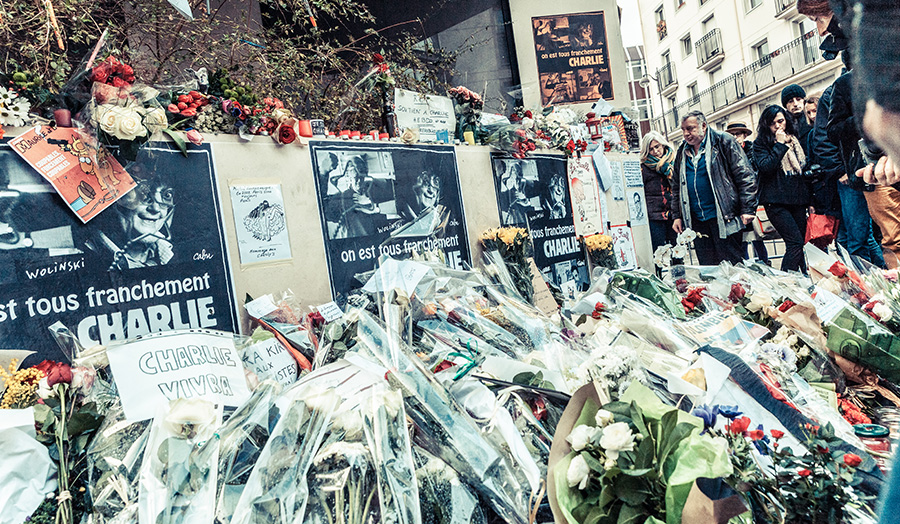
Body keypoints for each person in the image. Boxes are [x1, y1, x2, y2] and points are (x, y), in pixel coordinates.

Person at [798, 0, 885, 266]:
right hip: (860, 171)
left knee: (864, 236)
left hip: (869, 168)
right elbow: (828, 136)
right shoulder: (840, 88)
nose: (820, 30)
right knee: (861, 236)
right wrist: (841, 170)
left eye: (818, 19)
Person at [671, 111, 758, 266]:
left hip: (725, 216)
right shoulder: (682, 151)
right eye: (683, 130)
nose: (685, 134)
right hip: (697, 220)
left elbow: (745, 175)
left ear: (703, 126)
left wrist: (748, 208)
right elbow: (676, 186)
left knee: (732, 267)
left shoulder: (724, 141)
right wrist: (677, 216)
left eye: (690, 129)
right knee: (708, 268)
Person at [752, 106, 810, 273]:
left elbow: (801, 171)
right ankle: (786, 280)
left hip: (798, 200)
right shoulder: (761, 144)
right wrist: (779, 145)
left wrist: (810, 201)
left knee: (801, 243)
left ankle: (802, 277)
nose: (778, 126)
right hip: (776, 202)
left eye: (780, 121)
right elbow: (766, 166)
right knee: (794, 243)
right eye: (773, 123)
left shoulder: (794, 140)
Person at [82, 174, 176, 270]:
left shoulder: (171, 255)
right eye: (144, 193)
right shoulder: (82, 255)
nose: (156, 209)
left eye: (167, 196)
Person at [726, 122, 770, 265]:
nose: (735, 137)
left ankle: (764, 264)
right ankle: (744, 267)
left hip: (752, 200)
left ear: (744, 135)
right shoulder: (725, 152)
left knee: (757, 237)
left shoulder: (752, 150)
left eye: (738, 134)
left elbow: (755, 174)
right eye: (732, 134)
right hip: (735, 203)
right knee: (741, 240)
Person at [639, 131, 680, 263]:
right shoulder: (644, 167)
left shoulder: (674, 162)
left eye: (657, 147)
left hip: (673, 214)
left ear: (663, 145)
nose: (655, 151)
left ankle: (679, 275)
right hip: (654, 216)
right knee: (658, 254)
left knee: (677, 252)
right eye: (651, 149)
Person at [782, 84, 813, 156]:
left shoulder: (813, 117)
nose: (795, 104)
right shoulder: (783, 124)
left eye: (798, 99)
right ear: (785, 105)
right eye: (790, 101)